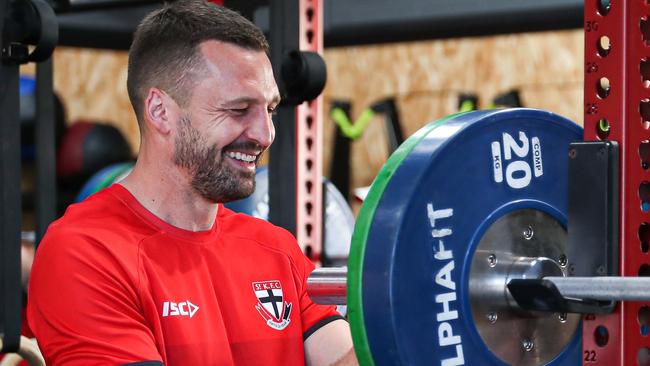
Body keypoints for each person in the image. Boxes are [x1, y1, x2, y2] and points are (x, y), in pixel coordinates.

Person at [27, 1, 357, 365]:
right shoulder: (86, 253)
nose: (265, 134)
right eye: (238, 109)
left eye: (270, 110)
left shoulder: (276, 249)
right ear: (160, 111)